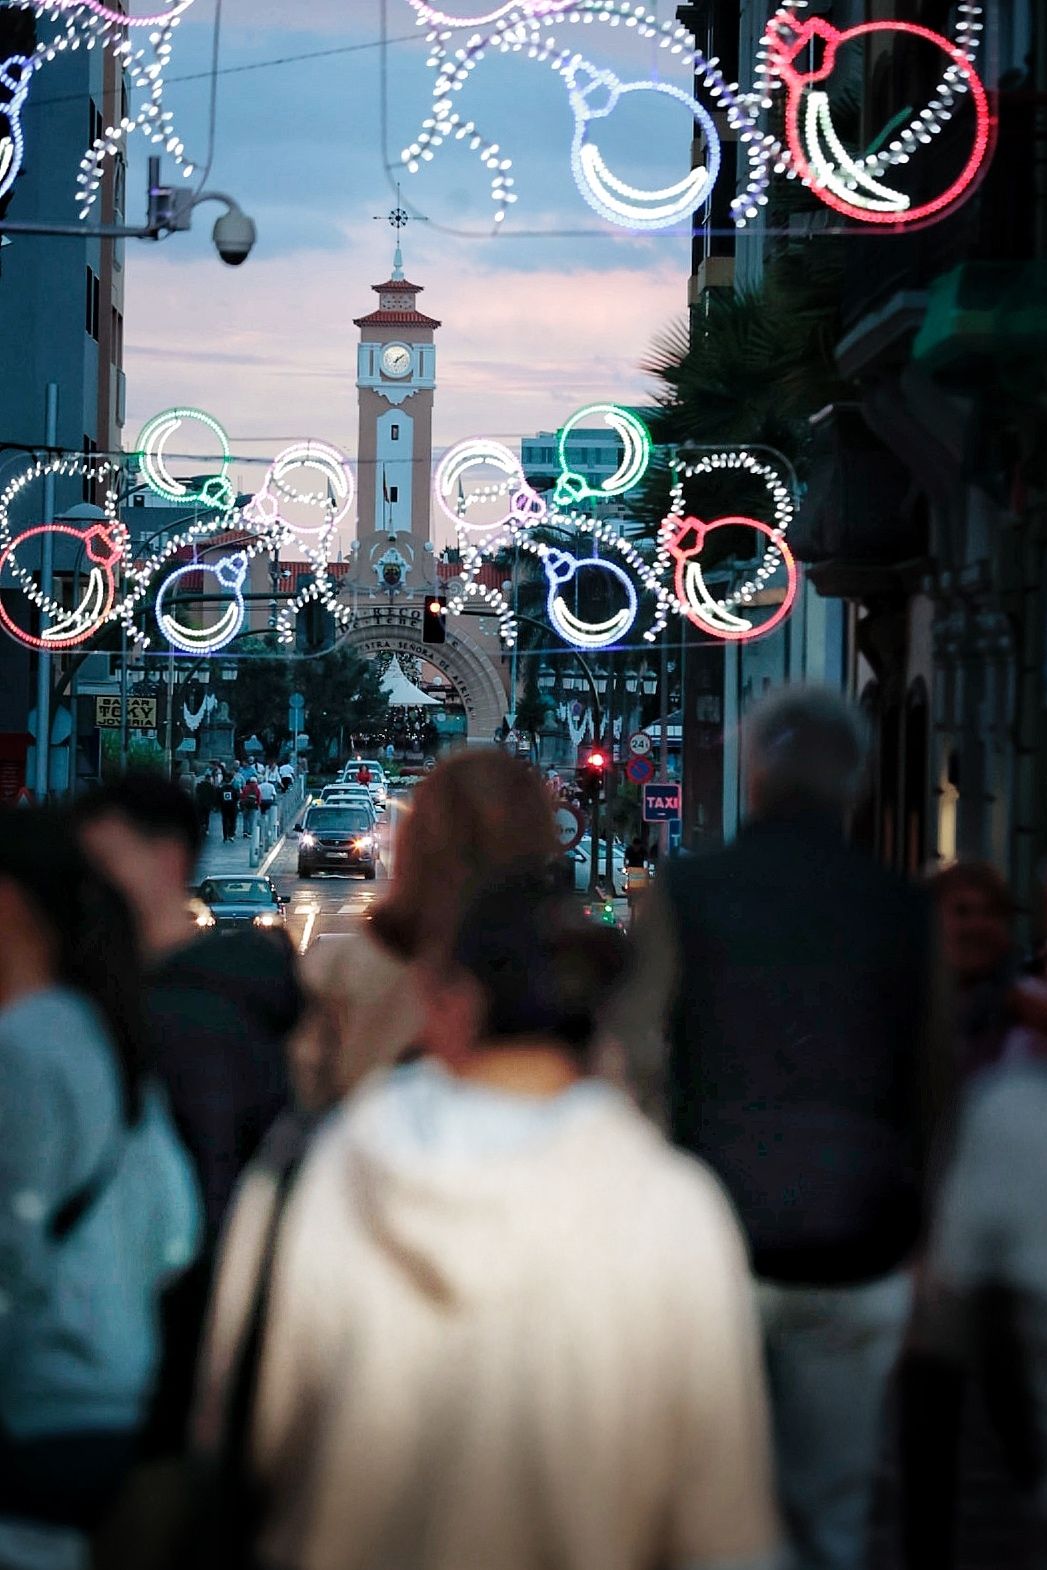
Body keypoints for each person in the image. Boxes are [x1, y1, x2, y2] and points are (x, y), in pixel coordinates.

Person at [197, 874, 782, 1570]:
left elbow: (248, 1436)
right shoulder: (673, 1210)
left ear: (443, 1004)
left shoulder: (314, 1179)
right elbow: (721, 1524)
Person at [656, 686, 944, 1570]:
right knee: (832, 1502)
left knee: (707, 1502)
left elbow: (638, 1060)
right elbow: (934, 1083)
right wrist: (920, 1228)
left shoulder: (688, 892)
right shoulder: (899, 906)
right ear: (854, 784)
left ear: (750, 776)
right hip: (856, 1239)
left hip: (709, 1242)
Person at [74, 774, 297, 1449]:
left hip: (158, 1381)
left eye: (104, 862)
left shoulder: (190, 1018)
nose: (89, 888)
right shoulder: (203, 997)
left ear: (168, 860)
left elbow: (213, 1201)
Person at [0, 810, 199, 1560]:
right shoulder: (106, 1035)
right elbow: (177, 1231)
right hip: (113, 1406)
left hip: (30, 1407)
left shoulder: (21, 1050)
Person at [931, 861, 1018, 1081]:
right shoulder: (896, 1006)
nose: (978, 925)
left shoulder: (1028, 1010)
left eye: (991, 912)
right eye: (962, 912)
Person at [217, 774, 239, 843]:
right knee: (233, 821)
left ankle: (225, 836)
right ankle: (231, 835)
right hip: (232, 807)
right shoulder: (233, 789)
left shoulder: (221, 789)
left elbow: (219, 798)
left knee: (225, 821)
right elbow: (237, 797)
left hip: (224, 808)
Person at [240, 774, 261, 840]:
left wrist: (242, 803)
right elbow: (259, 797)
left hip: (246, 805)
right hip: (253, 805)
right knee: (251, 819)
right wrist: (258, 804)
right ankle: (250, 832)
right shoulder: (257, 788)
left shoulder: (246, 787)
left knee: (245, 818)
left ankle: (245, 832)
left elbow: (242, 796)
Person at [194, 773, 215, 840]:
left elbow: (196, 793)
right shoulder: (211, 786)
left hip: (200, 803)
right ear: (209, 779)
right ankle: (206, 829)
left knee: (200, 816)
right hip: (208, 804)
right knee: (207, 816)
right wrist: (213, 804)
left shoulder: (199, 785)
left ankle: (200, 827)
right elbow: (213, 796)